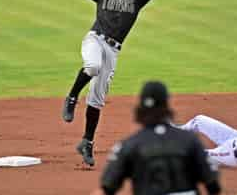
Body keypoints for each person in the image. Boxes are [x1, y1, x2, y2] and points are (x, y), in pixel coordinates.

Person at [62, 0, 172, 166]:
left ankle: (87, 142)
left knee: (97, 99)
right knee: (92, 66)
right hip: (95, 40)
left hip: (113, 50)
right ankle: (72, 97)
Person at [91, 81, 221, 195]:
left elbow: (106, 190)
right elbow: (213, 187)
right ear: (166, 106)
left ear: (140, 109)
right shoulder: (191, 140)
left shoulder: (129, 145)